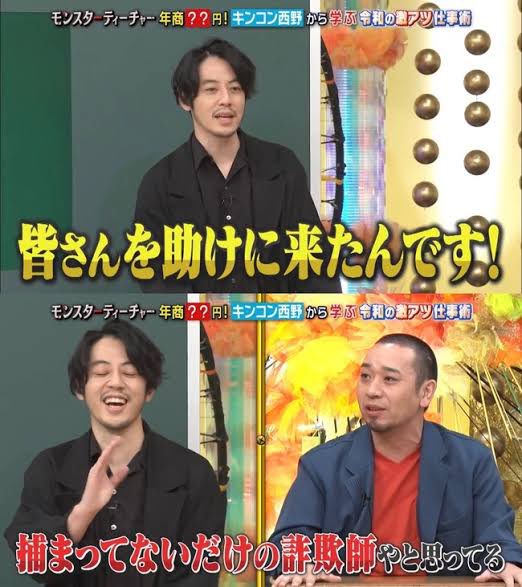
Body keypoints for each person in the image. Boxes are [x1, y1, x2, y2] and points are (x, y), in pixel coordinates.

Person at [269, 333, 522, 586]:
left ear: (426, 392)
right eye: (365, 376)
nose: (372, 391)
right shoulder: (321, 465)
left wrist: (505, 562)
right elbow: (286, 542)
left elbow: (498, 541)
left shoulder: (472, 461)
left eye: (389, 379)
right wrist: (301, 563)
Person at [5, 320, 226, 586]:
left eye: (130, 372)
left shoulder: (193, 473)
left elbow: (199, 575)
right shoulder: (50, 467)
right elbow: (33, 561)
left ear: (149, 389)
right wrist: (82, 514)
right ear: (80, 387)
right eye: (101, 372)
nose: (116, 383)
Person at [134, 37, 340, 294]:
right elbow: (154, 279)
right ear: (185, 99)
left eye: (235, 89)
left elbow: (316, 266)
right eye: (211, 90)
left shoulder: (282, 166)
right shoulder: (160, 183)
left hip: (275, 318)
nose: (226, 100)